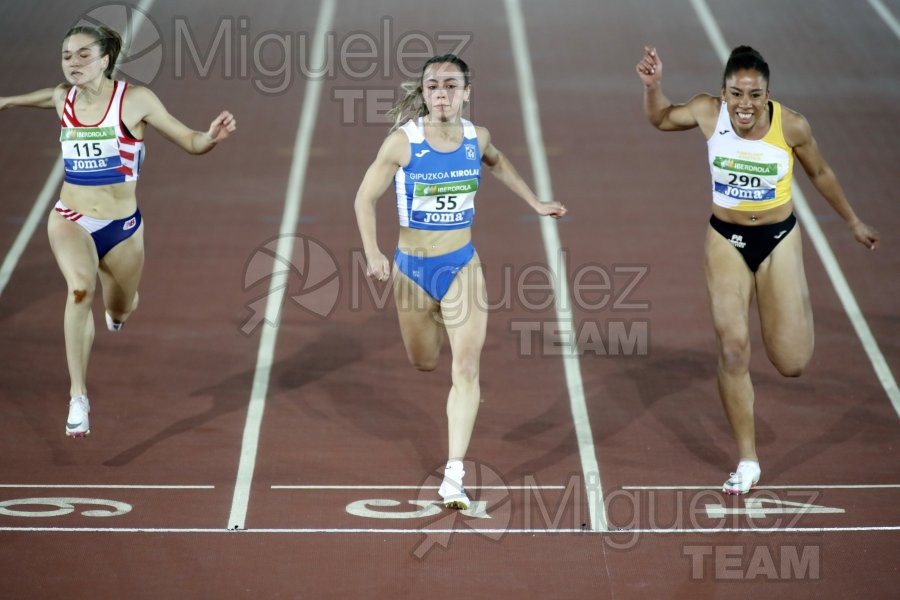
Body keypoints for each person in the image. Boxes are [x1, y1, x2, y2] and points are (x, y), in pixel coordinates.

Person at [635, 45, 879, 494]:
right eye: (736, 93)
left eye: (754, 94)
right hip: (726, 239)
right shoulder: (709, 112)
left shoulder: (792, 126)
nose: (744, 104)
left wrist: (852, 221)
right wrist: (653, 89)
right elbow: (661, 118)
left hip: (779, 239)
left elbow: (821, 172)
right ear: (723, 92)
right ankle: (747, 460)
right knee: (731, 349)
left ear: (767, 94)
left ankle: (793, 310)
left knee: (792, 362)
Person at [0, 25, 236, 438]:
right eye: (66, 55)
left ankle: (118, 312)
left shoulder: (135, 101)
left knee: (121, 307)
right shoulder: (64, 98)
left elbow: (191, 142)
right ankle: (78, 395)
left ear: (105, 59)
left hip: (122, 228)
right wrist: (7, 102)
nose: (72, 62)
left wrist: (211, 137)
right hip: (70, 218)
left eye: (82, 55)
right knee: (79, 289)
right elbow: (46, 96)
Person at [354, 54, 566, 509]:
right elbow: (363, 199)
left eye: (451, 86)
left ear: (466, 93)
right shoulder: (403, 144)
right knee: (425, 362)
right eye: (433, 86)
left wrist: (534, 202)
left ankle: (454, 475)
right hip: (412, 270)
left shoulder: (477, 136)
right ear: (425, 93)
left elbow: (497, 160)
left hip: (461, 266)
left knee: (466, 368)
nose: (442, 94)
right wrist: (372, 252)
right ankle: (439, 343)